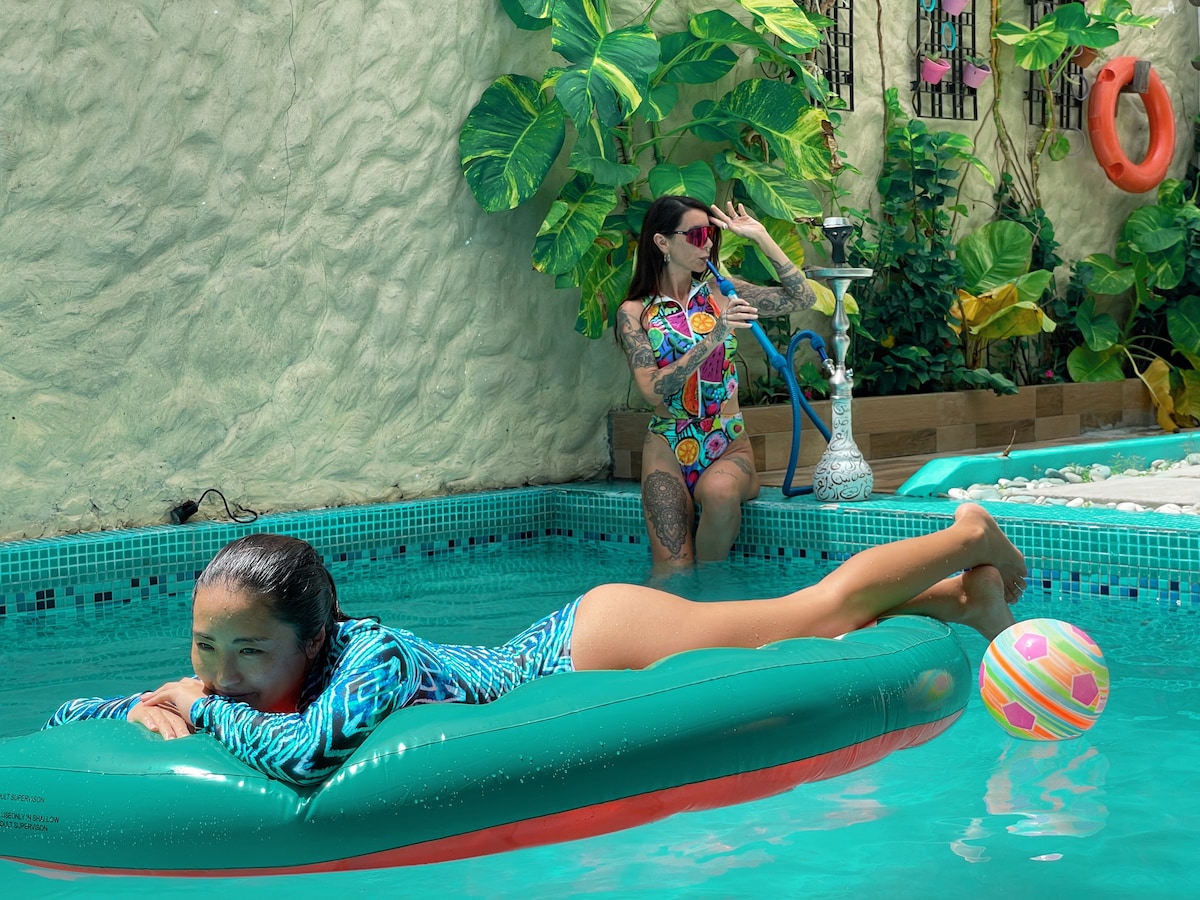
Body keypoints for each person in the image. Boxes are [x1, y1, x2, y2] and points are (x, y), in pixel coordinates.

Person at [45, 503, 1025, 786]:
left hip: (592, 643)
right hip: (557, 649)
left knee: (806, 620)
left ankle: (969, 534)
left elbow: (308, 759)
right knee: (811, 626)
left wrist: (200, 704)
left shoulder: (369, 660)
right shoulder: (248, 677)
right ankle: (954, 598)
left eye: (248, 654)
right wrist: (139, 704)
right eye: (204, 650)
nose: (224, 673)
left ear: (316, 638)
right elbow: (68, 719)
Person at [616, 195, 819, 566]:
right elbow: (651, 389)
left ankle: (713, 603)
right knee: (672, 572)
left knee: (722, 493)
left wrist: (761, 237)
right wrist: (715, 335)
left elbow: (802, 297)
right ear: (662, 242)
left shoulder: (721, 294)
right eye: (695, 236)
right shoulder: (634, 313)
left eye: (710, 234)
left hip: (725, 442)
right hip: (668, 444)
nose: (707, 243)